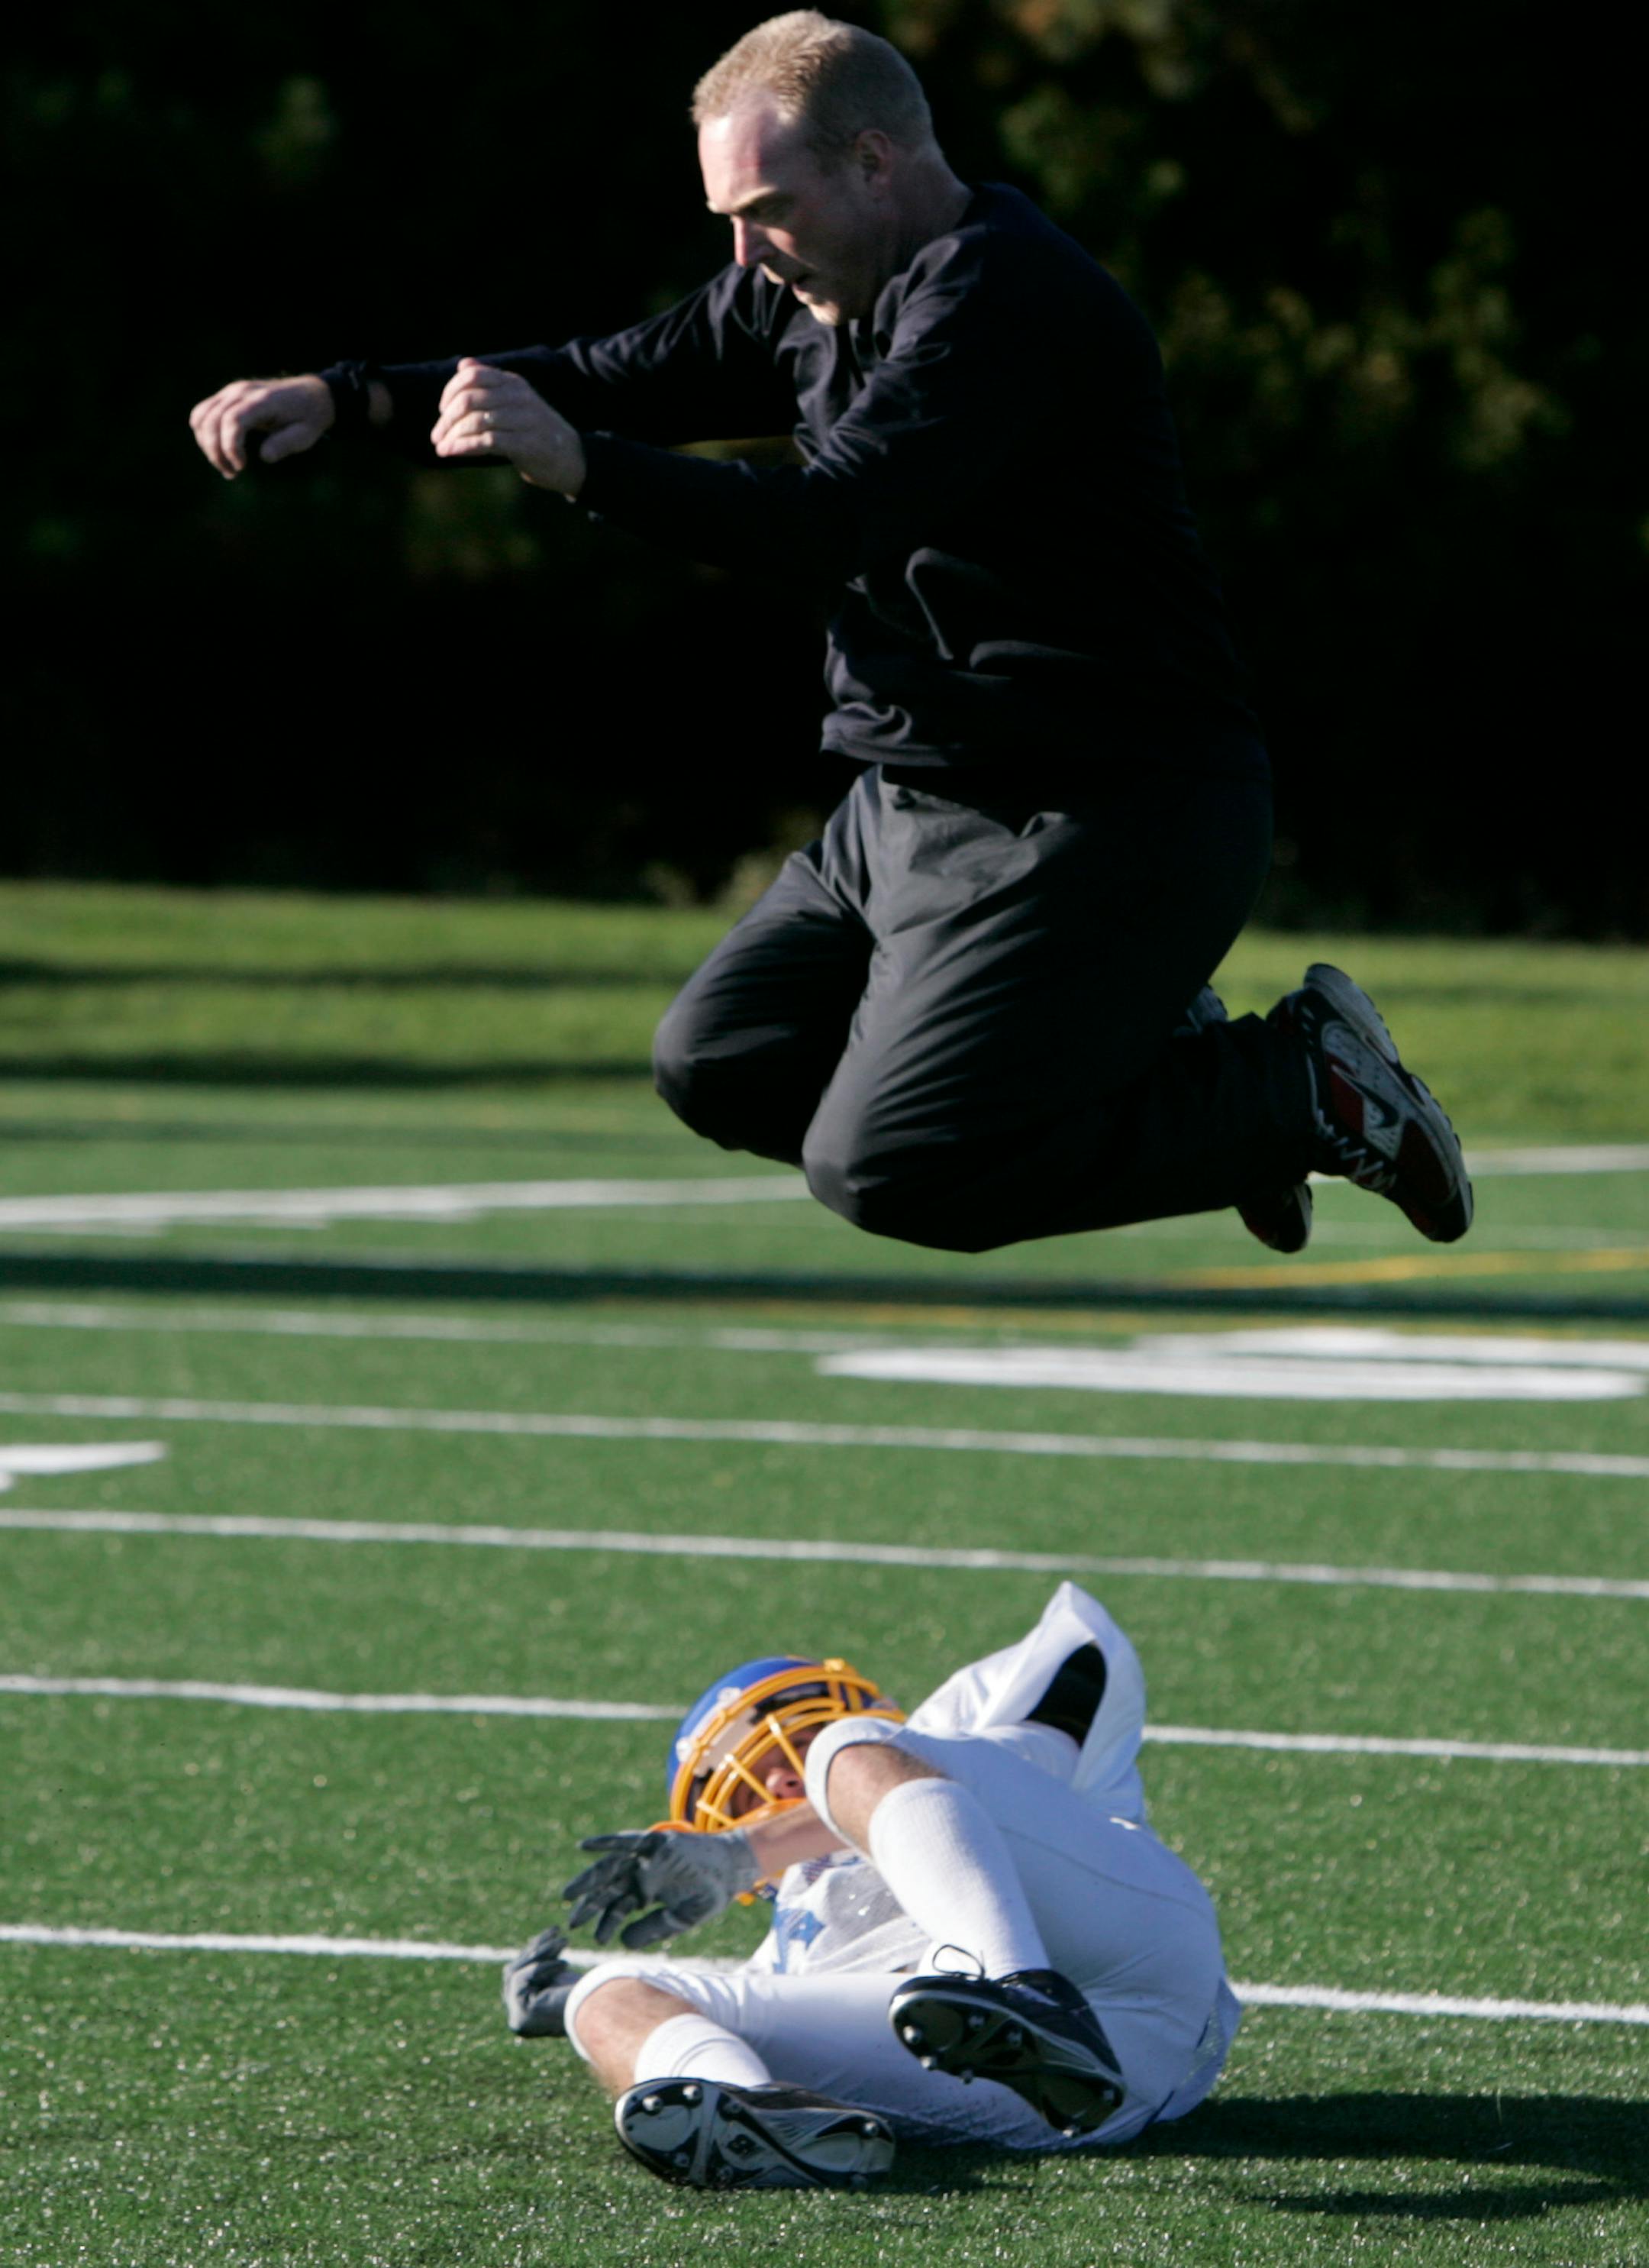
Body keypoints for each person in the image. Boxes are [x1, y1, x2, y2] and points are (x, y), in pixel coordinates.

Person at [188, 11, 1473, 1261]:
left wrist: (583, 469)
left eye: (767, 211)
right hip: (916, 801)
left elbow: (828, 520)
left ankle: (1290, 1089)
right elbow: (606, 371)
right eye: (729, 224)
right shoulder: (804, 293)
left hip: (1108, 808)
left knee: (894, 1165)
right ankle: (1182, 1074)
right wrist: (347, 397)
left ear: (874, 163)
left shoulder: (1002, 300)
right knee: (722, 1064)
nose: (748, 256)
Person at [500, 1583, 1241, 2192]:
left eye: (778, 1744)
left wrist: (743, 1848)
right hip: (1030, 2093)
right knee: (613, 1993)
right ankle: (761, 2125)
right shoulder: (790, 1938)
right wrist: (575, 2004)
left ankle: (1016, 1983)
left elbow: (1080, 1662)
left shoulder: (936, 1735)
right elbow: (754, 2004)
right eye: (748, 1791)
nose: (781, 1781)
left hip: (1118, 1969)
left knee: (849, 1754)